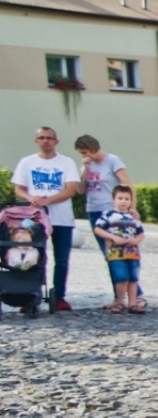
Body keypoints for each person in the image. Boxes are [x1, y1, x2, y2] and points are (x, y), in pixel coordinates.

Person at [11, 127, 80, 311]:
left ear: (56, 141)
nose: (45, 141)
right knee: (32, 256)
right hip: (35, 218)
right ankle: (30, 294)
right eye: (42, 138)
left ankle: (59, 296)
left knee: (62, 259)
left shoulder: (66, 162)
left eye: (49, 138)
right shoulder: (27, 162)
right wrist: (31, 198)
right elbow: (19, 188)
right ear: (36, 141)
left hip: (61, 218)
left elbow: (70, 189)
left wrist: (48, 200)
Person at [75, 135, 143, 309]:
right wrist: (85, 168)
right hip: (94, 210)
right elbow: (80, 190)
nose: (83, 156)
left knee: (122, 254)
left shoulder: (112, 160)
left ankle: (136, 296)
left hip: (113, 213)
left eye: (85, 152)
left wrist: (132, 208)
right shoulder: (86, 165)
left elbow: (127, 185)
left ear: (93, 148)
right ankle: (119, 298)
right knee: (110, 256)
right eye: (81, 153)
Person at [91, 185, 144, 313]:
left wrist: (136, 240)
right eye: (120, 198)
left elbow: (141, 232)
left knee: (133, 278)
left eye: (127, 199)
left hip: (132, 252)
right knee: (121, 277)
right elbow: (98, 229)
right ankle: (120, 301)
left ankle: (133, 303)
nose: (123, 201)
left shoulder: (133, 217)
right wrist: (113, 237)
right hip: (116, 252)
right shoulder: (108, 215)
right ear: (113, 199)